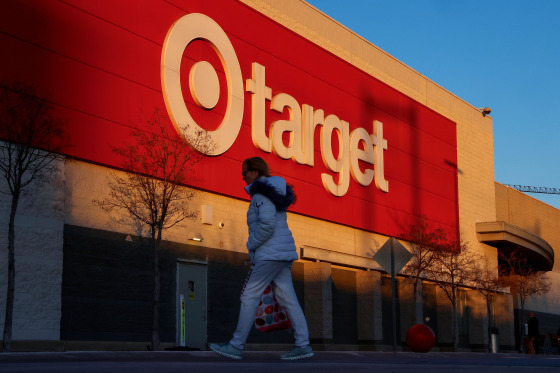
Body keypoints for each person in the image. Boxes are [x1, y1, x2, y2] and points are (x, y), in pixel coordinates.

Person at [209, 157, 313, 360]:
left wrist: (252, 246)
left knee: (249, 296)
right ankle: (303, 345)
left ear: (255, 172)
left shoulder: (261, 194)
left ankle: (236, 345)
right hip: (281, 252)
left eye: (244, 173)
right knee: (288, 299)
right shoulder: (272, 191)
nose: (242, 177)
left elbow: (266, 225)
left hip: (270, 254)